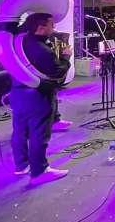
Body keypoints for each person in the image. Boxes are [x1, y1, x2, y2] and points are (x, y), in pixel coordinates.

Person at [10, 13, 71, 185]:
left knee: (20, 130)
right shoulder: (41, 50)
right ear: (41, 27)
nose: (54, 27)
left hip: (18, 92)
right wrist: (65, 57)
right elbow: (58, 72)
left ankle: (21, 165)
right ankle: (39, 171)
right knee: (39, 134)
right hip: (38, 95)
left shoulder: (20, 40)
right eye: (51, 24)